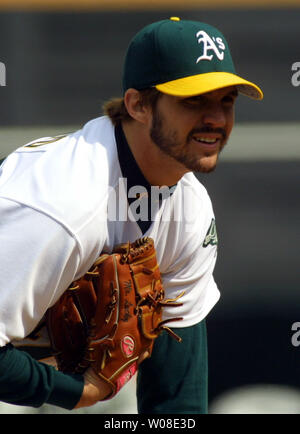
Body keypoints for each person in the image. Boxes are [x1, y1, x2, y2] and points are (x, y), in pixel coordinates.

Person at [0, 17, 263, 414]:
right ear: (137, 105)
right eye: (194, 100)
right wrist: (74, 392)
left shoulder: (189, 209)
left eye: (226, 100)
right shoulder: (60, 206)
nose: (217, 118)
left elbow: (177, 400)